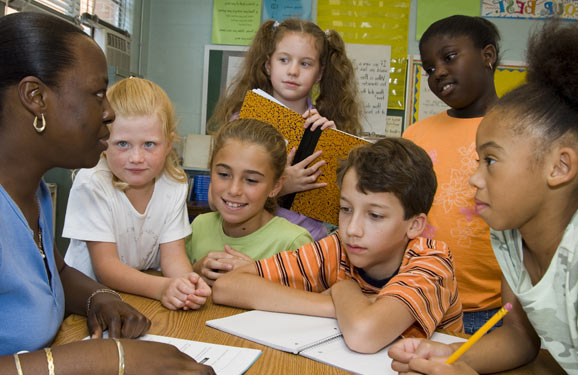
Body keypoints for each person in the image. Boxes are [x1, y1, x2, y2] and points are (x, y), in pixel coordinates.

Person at [0, 12, 214, 374]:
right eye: (97, 94)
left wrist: (100, 297)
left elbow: (53, 272)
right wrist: (99, 359)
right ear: (36, 97)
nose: (109, 113)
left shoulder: (29, 188)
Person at [389, 20, 578, 375]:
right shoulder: (507, 236)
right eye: (478, 161)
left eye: (490, 160)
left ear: (559, 166)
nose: (475, 178)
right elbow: (520, 337)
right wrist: (451, 358)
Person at [213, 138, 464, 353]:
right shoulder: (338, 247)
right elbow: (227, 286)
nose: (352, 229)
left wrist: (343, 287)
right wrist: (337, 306)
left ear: (415, 225)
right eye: (346, 209)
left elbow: (364, 335)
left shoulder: (431, 262)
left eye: (375, 215)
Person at [208, 18, 363, 241]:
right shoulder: (241, 123)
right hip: (251, 243)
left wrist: (335, 149)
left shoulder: (328, 126)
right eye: (284, 59)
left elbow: (345, 205)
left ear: (320, 73)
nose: (293, 71)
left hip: (307, 245)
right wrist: (280, 186)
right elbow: (215, 200)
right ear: (268, 65)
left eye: (305, 64)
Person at [63, 77, 210, 311]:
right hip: (88, 300)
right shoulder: (92, 183)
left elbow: (173, 258)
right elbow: (107, 267)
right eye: (123, 144)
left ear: (169, 143)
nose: (137, 158)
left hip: (138, 295)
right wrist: (163, 288)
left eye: (149, 144)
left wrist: (186, 284)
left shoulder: (173, 184)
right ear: (104, 141)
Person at [402, 15, 502, 334]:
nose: (439, 72)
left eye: (449, 57)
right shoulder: (416, 134)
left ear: (488, 56)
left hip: (491, 310)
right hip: (418, 301)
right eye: (430, 68)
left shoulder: (519, 131)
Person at [186, 118, 313, 285]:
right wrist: (194, 272)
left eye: (251, 180)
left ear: (275, 186)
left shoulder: (293, 242)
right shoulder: (199, 226)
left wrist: (260, 276)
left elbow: (307, 303)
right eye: (224, 174)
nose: (233, 190)